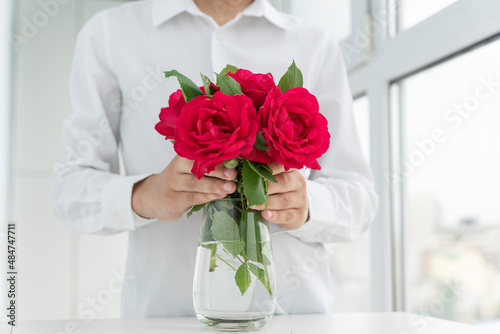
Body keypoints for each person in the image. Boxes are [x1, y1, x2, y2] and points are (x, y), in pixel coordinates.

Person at [51, 0, 378, 317]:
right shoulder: (109, 35)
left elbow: (360, 198)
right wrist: (146, 196)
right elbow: (70, 191)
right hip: (162, 322)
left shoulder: (315, 44)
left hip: (294, 319)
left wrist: (308, 206)